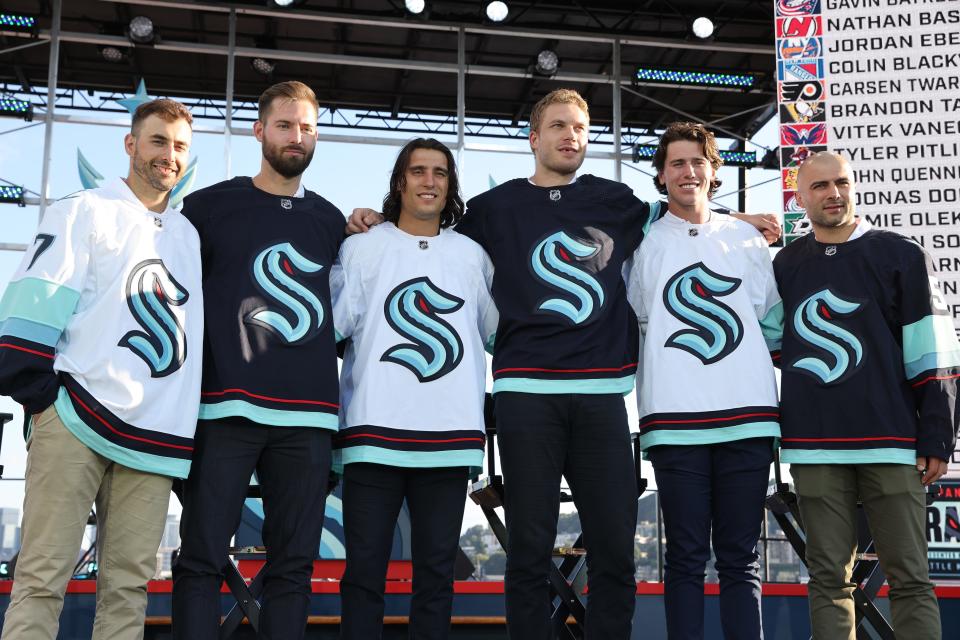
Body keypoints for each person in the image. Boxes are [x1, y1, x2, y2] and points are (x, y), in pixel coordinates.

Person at [348, 89, 780, 639]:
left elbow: (684, 215)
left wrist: (738, 220)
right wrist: (364, 218)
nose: (569, 135)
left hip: (602, 396)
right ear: (534, 138)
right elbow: (425, 236)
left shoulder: (616, 201)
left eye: (579, 127)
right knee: (529, 549)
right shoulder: (494, 208)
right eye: (557, 126)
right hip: (527, 396)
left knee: (615, 549)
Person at [0, 99, 202, 640]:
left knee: (129, 589)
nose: (168, 155)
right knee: (43, 579)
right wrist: (45, 400)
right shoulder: (84, 208)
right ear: (131, 144)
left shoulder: (188, 234)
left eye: (180, 146)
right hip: (76, 417)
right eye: (158, 141)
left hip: (154, 435)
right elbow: (29, 307)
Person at [171, 81, 344, 640]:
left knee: (293, 569)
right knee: (201, 560)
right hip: (225, 411)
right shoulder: (206, 208)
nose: (297, 137)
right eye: (286, 125)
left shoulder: (331, 221)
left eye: (308, 127)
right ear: (259, 130)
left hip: (309, 418)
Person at [774, 151, 958, 639]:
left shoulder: (899, 253)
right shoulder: (786, 264)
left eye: (841, 183)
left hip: (892, 442)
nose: (833, 194)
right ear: (800, 197)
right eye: (819, 187)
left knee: (911, 579)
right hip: (814, 446)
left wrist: (937, 434)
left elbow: (931, 350)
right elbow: (771, 344)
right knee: (828, 579)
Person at [330, 137, 497, 639]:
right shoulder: (360, 249)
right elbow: (332, 331)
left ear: (450, 186)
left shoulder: (472, 256)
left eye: (440, 173)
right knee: (363, 577)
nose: (429, 182)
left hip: (447, 440)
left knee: (436, 578)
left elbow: (497, 333)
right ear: (399, 182)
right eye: (419, 171)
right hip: (371, 437)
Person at [626, 122, 781, 639]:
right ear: (661, 174)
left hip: (749, 418)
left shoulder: (745, 239)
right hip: (674, 420)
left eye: (698, 162)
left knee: (741, 560)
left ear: (714, 171)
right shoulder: (642, 243)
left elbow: (772, 319)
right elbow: (637, 318)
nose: (688, 172)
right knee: (686, 559)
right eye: (677, 163)